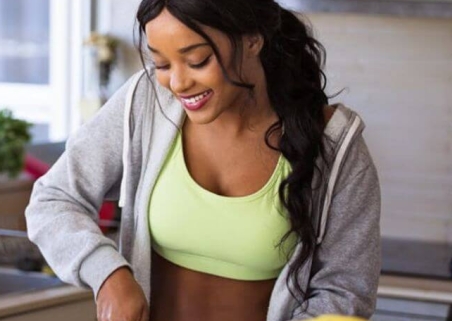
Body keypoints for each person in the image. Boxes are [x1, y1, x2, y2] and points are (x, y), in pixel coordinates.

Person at [25, 0, 381, 320]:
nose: (178, 83)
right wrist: (108, 274)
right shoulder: (146, 101)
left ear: (252, 40)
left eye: (197, 60)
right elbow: (53, 201)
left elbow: (344, 290)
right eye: (161, 63)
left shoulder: (334, 145)